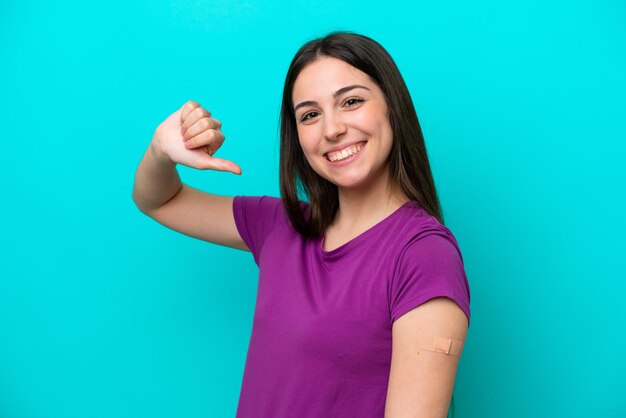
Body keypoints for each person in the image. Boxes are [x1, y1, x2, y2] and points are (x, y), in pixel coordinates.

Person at [132, 31, 471, 418]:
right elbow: (158, 199)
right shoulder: (281, 226)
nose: (332, 130)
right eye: (310, 115)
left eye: (352, 101)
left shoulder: (424, 255)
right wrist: (161, 150)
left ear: (392, 107)